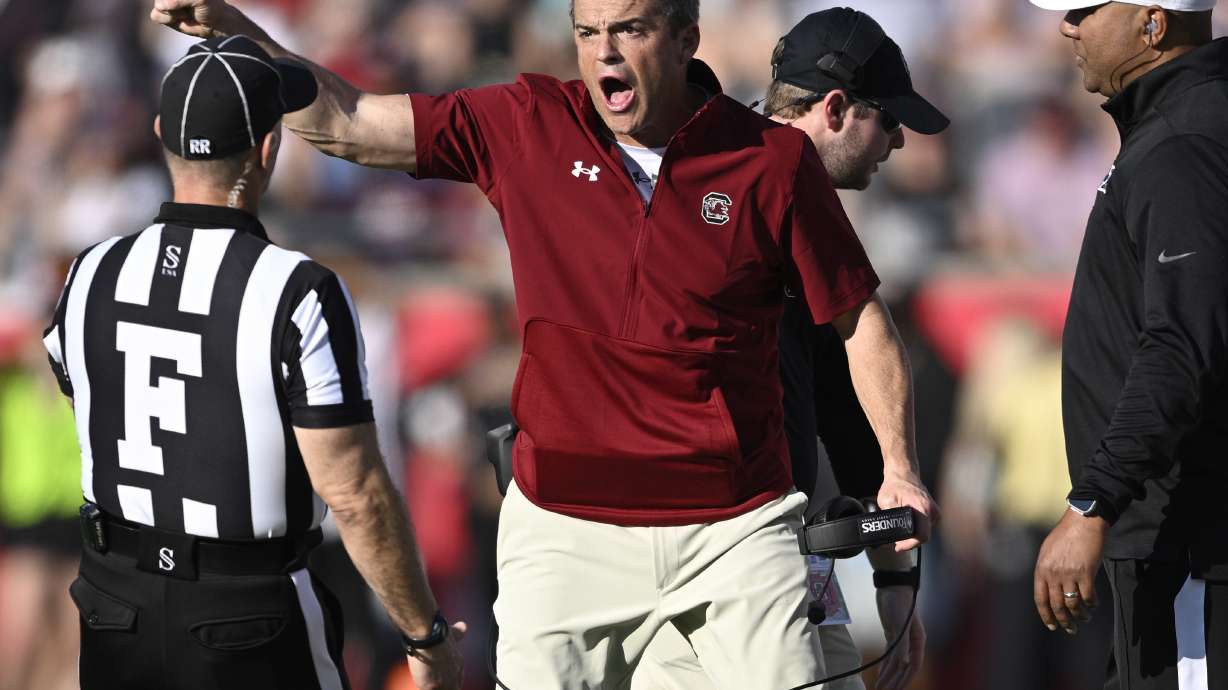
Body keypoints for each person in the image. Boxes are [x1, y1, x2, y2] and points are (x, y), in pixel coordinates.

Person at [150, 1, 940, 688]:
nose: (603, 51)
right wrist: (234, 30)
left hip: (731, 530)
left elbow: (860, 322)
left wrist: (900, 473)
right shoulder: (525, 122)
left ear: (686, 36)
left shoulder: (771, 159)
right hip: (564, 532)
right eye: (586, 30)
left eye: (628, 28)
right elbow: (347, 122)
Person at [43, 35, 464, 690]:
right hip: (245, 613)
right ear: (269, 147)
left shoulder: (88, 272)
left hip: (112, 601)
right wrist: (424, 633)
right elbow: (353, 494)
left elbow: (87, 399)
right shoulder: (296, 289)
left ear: (163, 135)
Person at [632, 10, 946, 690]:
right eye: (886, 121)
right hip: (679, 547)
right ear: (835, 108)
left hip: (776, 550)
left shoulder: (794, 200)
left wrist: (893, 576)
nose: (894, 143)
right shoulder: (700, 173)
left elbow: (842, 394)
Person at [1027, 1, 1228, 687]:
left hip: (1192, 545)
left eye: (1085, 9)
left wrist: (1093, 503)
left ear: (1153, 23)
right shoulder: (1187, 126)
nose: (1067, 26)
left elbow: (1181, 345)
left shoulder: (1181, 143)